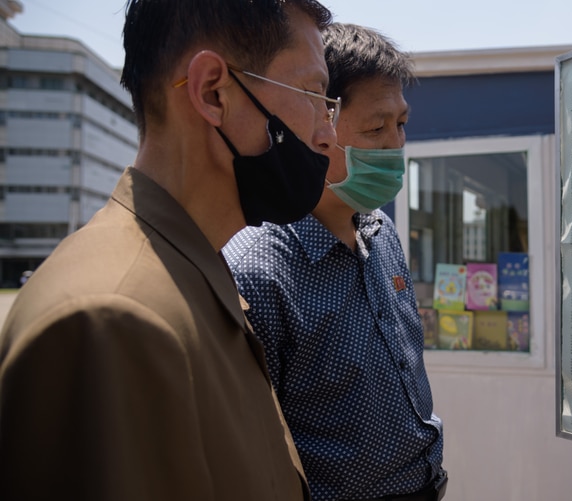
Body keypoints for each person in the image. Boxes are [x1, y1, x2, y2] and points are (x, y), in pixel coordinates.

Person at [0, 1, 337, 499]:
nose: (329, 134)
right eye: (312, 94)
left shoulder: (193, 271)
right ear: (213, 92)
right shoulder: (112, 319)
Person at [224, 23, 446, 501]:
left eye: (401, 124)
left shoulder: (381, 232)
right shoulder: (259, 272)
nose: (395, 144)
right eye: (375, 128)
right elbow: (252, 451)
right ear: (317, 125)